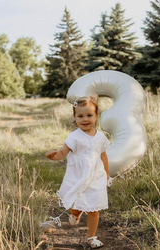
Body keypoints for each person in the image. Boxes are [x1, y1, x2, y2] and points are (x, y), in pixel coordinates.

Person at [46, 95, 110, 249]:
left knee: (94, 209)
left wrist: (107, 173)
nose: (85, 119)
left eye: (89, 115)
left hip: (96, 178)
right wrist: (54, 156)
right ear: (75, 117)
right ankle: (75, 213)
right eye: (80, 116)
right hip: (78, 176)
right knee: (75, 204)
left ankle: (91, 237)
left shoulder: (100, 137)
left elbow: (103, 155)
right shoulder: (74, 137)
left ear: (96, 116)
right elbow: (63, 152)